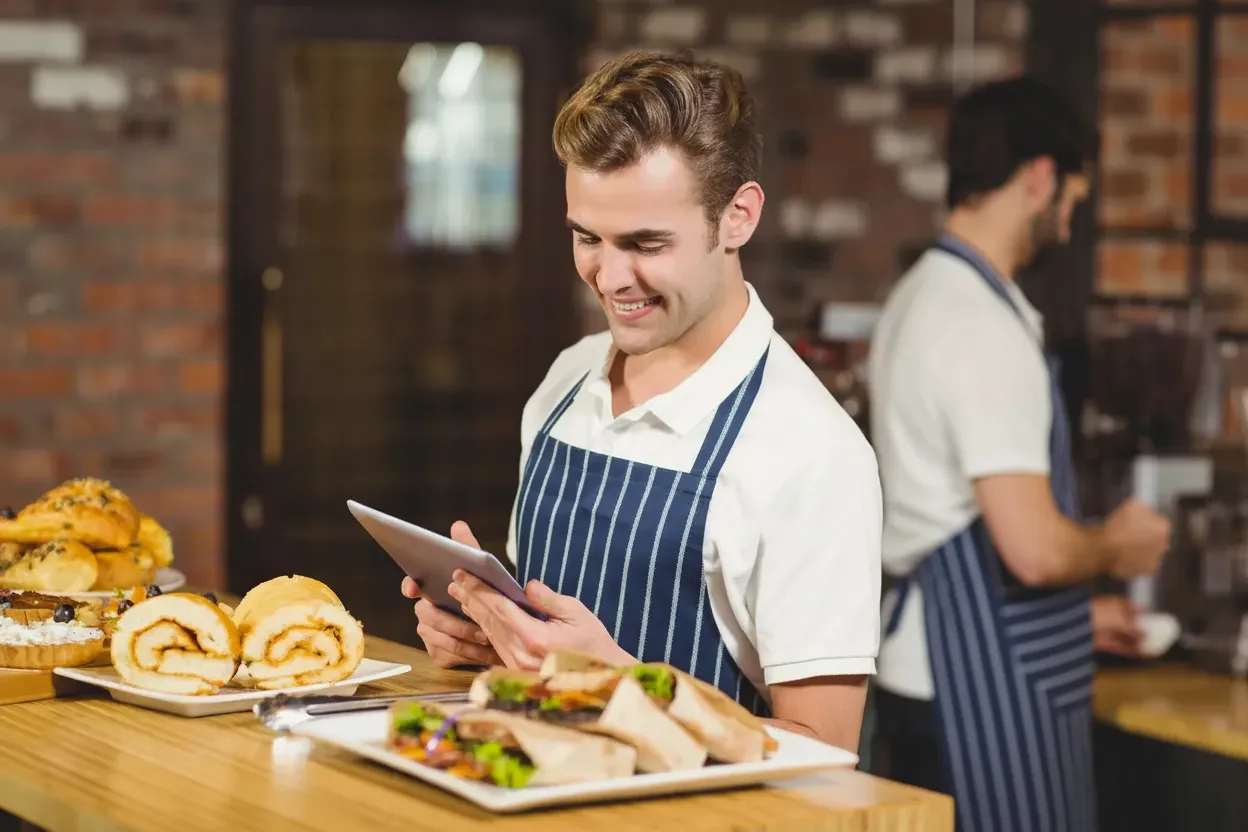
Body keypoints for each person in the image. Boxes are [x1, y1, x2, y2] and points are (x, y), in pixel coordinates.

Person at [401, 50, 882, 751]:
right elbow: (542, 659)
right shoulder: (567, 382)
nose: (611, 276)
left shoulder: (811, 453)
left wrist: (620, 681)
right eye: (586, 238)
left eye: (647, 243)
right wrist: (490, 640)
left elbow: (826, 753)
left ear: (738, 217)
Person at [866, 76, 1172, 831]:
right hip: (969, 688)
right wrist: (1118, 546)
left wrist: (1075, 618)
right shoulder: (980, 327)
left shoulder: (921, 294)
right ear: (1039, 177)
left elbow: (949, 518)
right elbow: (1031, 550)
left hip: (924, 665)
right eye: (1071, 197)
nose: (1068, 224)